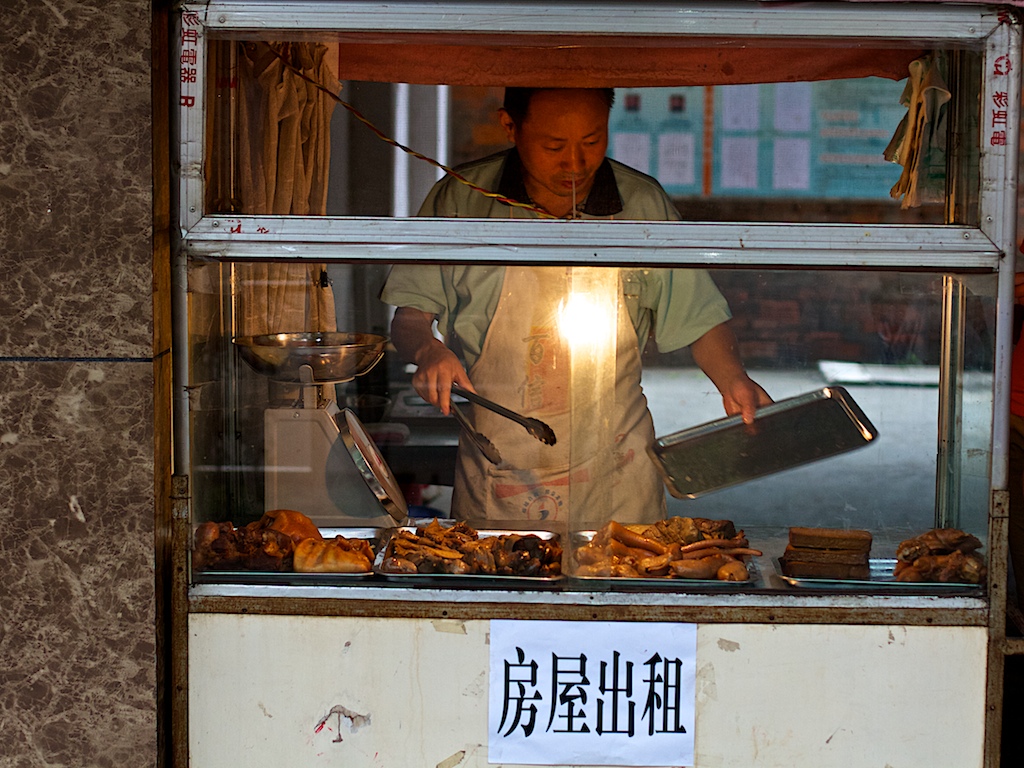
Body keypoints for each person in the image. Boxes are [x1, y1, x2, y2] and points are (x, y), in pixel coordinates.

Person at [380, 87, 770, 523]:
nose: (576, 163)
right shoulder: (461, 200)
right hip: (502, 469)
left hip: (617, 468)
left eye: (592, 140)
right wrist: (429, 350)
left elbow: (699, 316)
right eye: (554, 146)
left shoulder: (641, 205)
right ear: (510, 126)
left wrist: (733, 379)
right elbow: (410, 316)